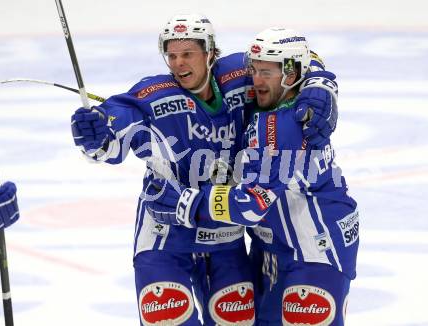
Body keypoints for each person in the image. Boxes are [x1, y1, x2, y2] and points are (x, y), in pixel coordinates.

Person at [70, 14, 338, 325]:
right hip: (165, 237)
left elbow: (298, 58)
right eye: (171, 55)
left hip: (226, 237)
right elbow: (115, 128)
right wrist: (96, 134)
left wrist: (322, 83)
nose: (178, 64)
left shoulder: (242, 73)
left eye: (187, 54)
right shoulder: (153, 95)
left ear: (210, 52)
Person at [145, 28, 358, 326]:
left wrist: (187, 202)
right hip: (271, 246)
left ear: (291, 74)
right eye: (253, 70)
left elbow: (250, 204)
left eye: (266, 73)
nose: (255, 81)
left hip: (313, 250)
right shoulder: (277, 99)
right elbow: (309, 59)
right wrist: (322, 80)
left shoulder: (284, 126)